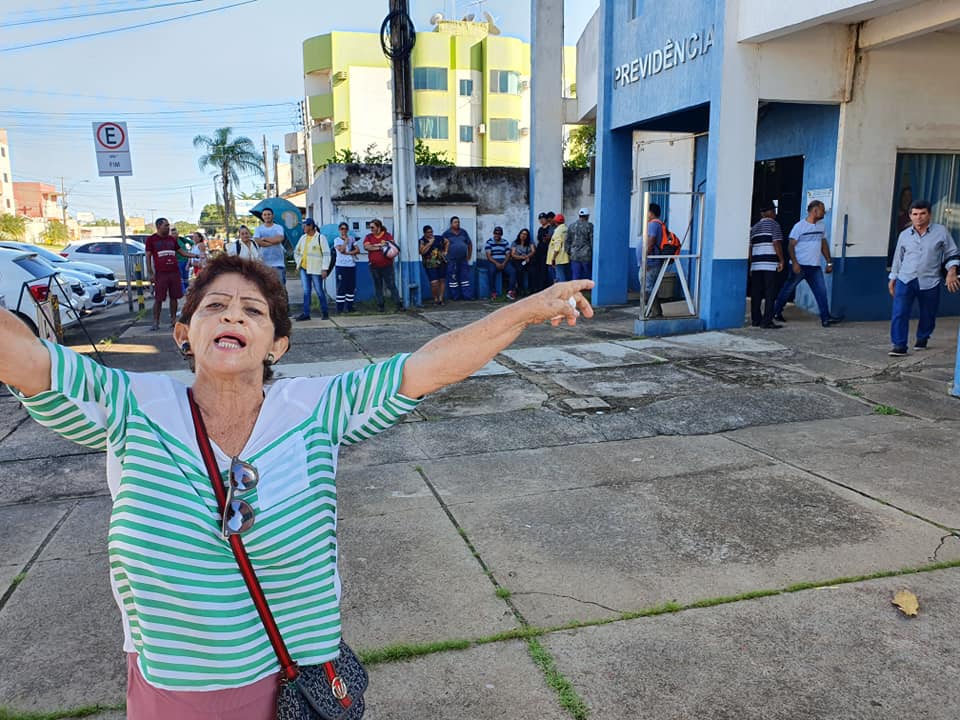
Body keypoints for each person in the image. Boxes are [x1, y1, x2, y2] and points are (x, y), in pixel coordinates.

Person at [0, 252, 594, 718]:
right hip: (178, 682)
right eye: (215, 306)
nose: (233, 315)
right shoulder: (130, 403)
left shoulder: (317, 408)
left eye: (252, 311)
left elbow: (431, 365)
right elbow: (27, 359)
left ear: (277, 345)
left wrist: (525, 310)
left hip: (297, 676)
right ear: (185, 334)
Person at [887, 199, 960, 356]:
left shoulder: (941, 232)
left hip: (930, 280)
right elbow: (898, 258)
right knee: (899, 312)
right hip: (905, 279)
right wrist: (893, 278)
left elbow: (952, 253)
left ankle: (923, 337)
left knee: (928, 313)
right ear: (910, 216)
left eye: (922, 214)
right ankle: (899, 345)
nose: (918, 217)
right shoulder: (904, 235)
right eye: (915, 214)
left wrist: (952, 271)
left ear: (929, 215)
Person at [772, 200, 840, 328]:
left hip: (814, 267)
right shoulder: (799, 226)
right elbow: (791, 246)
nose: (824, 212)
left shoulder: (821, 226)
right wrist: (795, 263)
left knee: (821, 292)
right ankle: (776, 312)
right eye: (822, 209)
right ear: (815, 211)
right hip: (799, 266)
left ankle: (826, 318)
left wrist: (829, 262)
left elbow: (823, 244)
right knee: (788, 290)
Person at [748, 203, 785, 329]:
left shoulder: (754, 227)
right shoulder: (774, 225)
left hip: (756, 265)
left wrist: (751, 265)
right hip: (769, 264)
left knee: (756, 293)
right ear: (769, 212)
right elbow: (776, 243)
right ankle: (767, 321)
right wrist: (781, 260)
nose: (775, 213)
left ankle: (756, 320)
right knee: (770, 293)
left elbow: (750, 247)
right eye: (773, 211)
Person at [144, 217, 183, 331]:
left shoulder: (172, 239)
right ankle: (156, 321)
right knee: (159, 298)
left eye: (168, 225)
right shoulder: (151, 240)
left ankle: (173, 319)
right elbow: (148, 256)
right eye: (166, 225)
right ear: (158, 226)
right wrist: (151, 272)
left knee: (174, 297)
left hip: (174, 272)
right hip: (161, 274)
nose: (168, 227)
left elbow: (181, 251)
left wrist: (194, 255)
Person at [363, 219, 404, 312]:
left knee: (391, 285)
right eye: (370, 227)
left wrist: (374, 246)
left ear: (379, 227)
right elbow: (366, 247)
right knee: (378, 286)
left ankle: (398, 305)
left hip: (387, 266)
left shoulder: (387, 235)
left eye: (373, 227)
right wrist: (381, 246)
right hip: (374, 266)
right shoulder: (368, 236)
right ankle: (380, 306)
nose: (371, 229)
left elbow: (392, 246)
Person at [293, 218, 330, 321]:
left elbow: (327, 254)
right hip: (304, 268)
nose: (303, 227)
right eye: (303, 225)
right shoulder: (303, 238)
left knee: (319, 291)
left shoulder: (320, 238)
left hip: (316, 269)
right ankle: (306, 313)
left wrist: (324, 269)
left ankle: (325, 312)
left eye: (305, 225)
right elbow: (296, 251)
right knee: (306, 291)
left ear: (311, 226)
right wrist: (298, 263)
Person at [441, 216, 473, 300]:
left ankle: (467, 296)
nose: (457, 224)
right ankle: (455, 296)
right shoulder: (446, 234)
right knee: (453, 278)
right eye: (455, 222)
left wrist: (469, 256)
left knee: (465, 278)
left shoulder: (463, 232)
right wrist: (445, 256)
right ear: (451, 224)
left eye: (458, 222)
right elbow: (441, 245)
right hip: (452, 260)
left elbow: (469, 244)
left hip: (463, 259)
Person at [254, 208, 287, 286]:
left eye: (269, 214)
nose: (267, 216)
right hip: (264, 264)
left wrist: (265, 238)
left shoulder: (278, 227)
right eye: (265, 214)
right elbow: (258, 241)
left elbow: (279, 239)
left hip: (278, 264)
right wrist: (273, 242)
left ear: (273, 216)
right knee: (267, 289)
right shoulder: (259, 229)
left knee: (281, 288)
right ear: (262, 216)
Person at [333, 222, 360, 313]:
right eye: (342, 229)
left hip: (351, 265)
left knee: (350, 287)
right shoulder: (337, 240)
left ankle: (350, 307)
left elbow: (357, 250)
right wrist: (345, 241)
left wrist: (349, 253)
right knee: (341, 286)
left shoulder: (352, 239)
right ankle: (339, 308)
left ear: (347, 230)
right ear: (339, 230)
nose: (343, 230)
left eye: (345, 229)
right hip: (341, 265)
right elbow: (341, 250)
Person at [639, 204, 665, 299]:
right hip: (652, 261)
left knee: (647, 286)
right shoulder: (657, 224)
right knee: (648, 285)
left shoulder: (653, 224)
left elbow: (651, 241)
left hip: (650, 262)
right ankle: (653, 310)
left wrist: (645, 259)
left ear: (651, 213)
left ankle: (650, 310)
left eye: (647, 212)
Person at [419, 224, 447, 306]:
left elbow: (447, 241)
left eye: (431, 232)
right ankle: (435, 298)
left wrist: (446, 251)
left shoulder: (438, 238)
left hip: (441, 263)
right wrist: (430, 243)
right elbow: (422, 252)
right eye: (428, 232)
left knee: (442, 280)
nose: (431, 234)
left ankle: (441, 299)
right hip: (429, 265)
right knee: (434, 283)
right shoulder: (422, 241)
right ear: (424, 233)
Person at [484, 226, 514, 299]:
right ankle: (493, 293)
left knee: (513, 272)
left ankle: (510, 292)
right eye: (496, 233)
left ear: (501, 234)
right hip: (493, 261)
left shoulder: (505, 242)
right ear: (493, 233)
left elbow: (508, 254)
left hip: (504, 261)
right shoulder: (489, 242)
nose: (497, 235)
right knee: (491, 272)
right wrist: (496, 263)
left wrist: (504, 263)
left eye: (499, 233)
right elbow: (488, 256)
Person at [567, 208, 594, 281]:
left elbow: (567, 241)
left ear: (579, 215)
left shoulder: (571, 226)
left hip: (574, 255)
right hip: (586, 255)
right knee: (589, 274)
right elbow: (592, 240)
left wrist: (569, 252)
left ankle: (575, 290)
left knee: (575, 275)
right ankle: (590, 290)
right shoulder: (590, 226)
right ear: (587, 216)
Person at [509, 228, 535, 299]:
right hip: (517, 260)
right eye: (522, 234)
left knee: (532, 271)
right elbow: (513, 254)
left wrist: (527, 256)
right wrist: (522, 258)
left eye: (525, 234)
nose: (523, 235)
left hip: (527, 260)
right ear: (519, 234)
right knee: (519, 271)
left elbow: (533, 251)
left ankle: (531, 290)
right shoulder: (515, 243)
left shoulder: (530, 242)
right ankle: (520, 290)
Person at [531, 211, 553, 291]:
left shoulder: (550, 228)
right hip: (540, 250)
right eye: (540, 219)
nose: (541, 221)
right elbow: (539, 238)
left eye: (543, 219)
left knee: (545, 270)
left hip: (547, 250)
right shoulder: (540, 228)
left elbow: (549, 238)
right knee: (538, 269)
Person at [172, 227, 197, 293]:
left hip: (186, 260)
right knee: (180, 277)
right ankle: (183, 291)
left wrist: (193, 250)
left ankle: (187, 289)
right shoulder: (171, 242)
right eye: (173, 234)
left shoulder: (181, 239)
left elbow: (192, 243)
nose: (175, 235)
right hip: (178, 261)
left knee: (185, 277)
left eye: (176, 233)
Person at [547, 213, 570, 283]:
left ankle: (563, 292)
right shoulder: (566, 229)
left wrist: (553, 258)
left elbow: (557, 247)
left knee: (560, 277)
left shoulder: (557, 231)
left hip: (559, 257)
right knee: (564, 275)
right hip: (566, 256)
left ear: (555, 222)